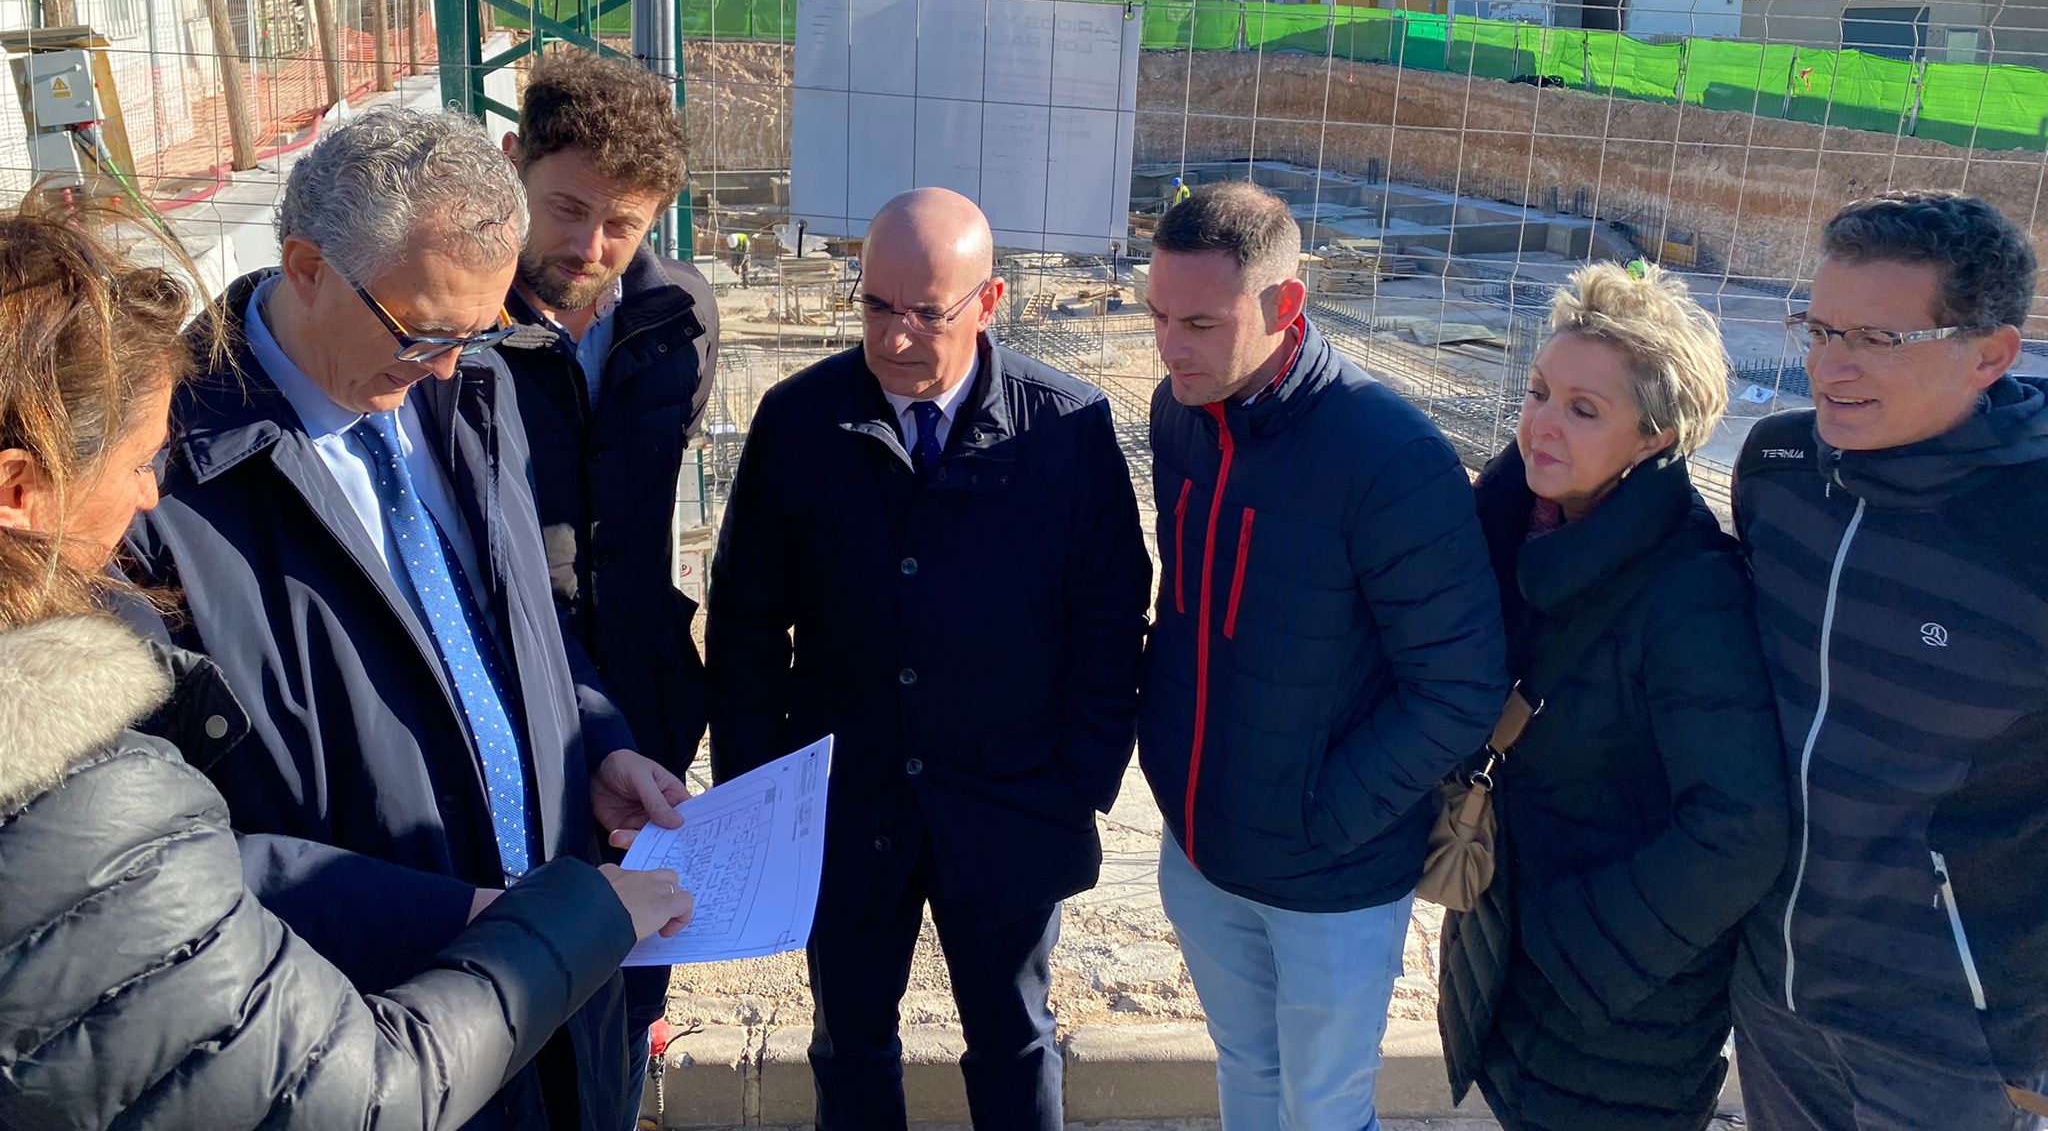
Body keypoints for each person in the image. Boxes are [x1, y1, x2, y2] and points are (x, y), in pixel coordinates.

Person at [0, 204, 695, 1129]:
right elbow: (173, 866)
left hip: (545, 997)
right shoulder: (166, 472)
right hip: (373, 1006)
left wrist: (589, 744)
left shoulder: (471, 383)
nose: (447, 362)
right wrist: (488, 917)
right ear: (307, 267)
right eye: (422, 332)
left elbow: (520, 620)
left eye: (479, 329)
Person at [708, 187, 1150, 1131]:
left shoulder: (1064, 429)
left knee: (1014, 1039)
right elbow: (746, 623)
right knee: (850, 1044)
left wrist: (1078, 780)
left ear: (989, 303)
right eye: (876, 305)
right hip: (847, 806)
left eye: (926, 312)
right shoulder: (798, 422)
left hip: (1010, 804)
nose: (894, 337)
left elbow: (1111, 616)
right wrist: (763, 795)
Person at [1138, 180, 1507, 1131]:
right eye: (1158, 316)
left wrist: (1325, 818)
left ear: (1285, 304)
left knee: (1325, 1107)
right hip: (1199, 845)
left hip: (1330, 878)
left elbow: (1458, 688)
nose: (1170, 347)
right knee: (1246, 1070)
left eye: (1200, 323)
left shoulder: (1390, 457)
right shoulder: (1181, 412)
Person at [1437, 261, 1789, 1131]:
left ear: (1653, 439)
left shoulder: (1689, 591)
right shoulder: (1517, 537)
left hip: (1615, 1001)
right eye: (1539, 392)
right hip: (1519, 955)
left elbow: (1741, 826)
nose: (1541, 425)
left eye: (1584, 409)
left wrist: (1575, 945)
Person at [1730, 192, 2048, 1131]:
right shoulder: (1777, 471)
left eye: (1877, 340)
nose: (1829, 367)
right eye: (1821, 330)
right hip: (1775, 995)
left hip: (1956, 1038)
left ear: (1992, 354)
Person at [497, 47, 719, 1103]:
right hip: (511, 712)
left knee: (634, 976)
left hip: (645, 700)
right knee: (519, 983)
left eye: (622, 224)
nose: (590, 248)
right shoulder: (458, 329)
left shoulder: (681, 319)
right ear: (513, 165)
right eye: (567, 209)